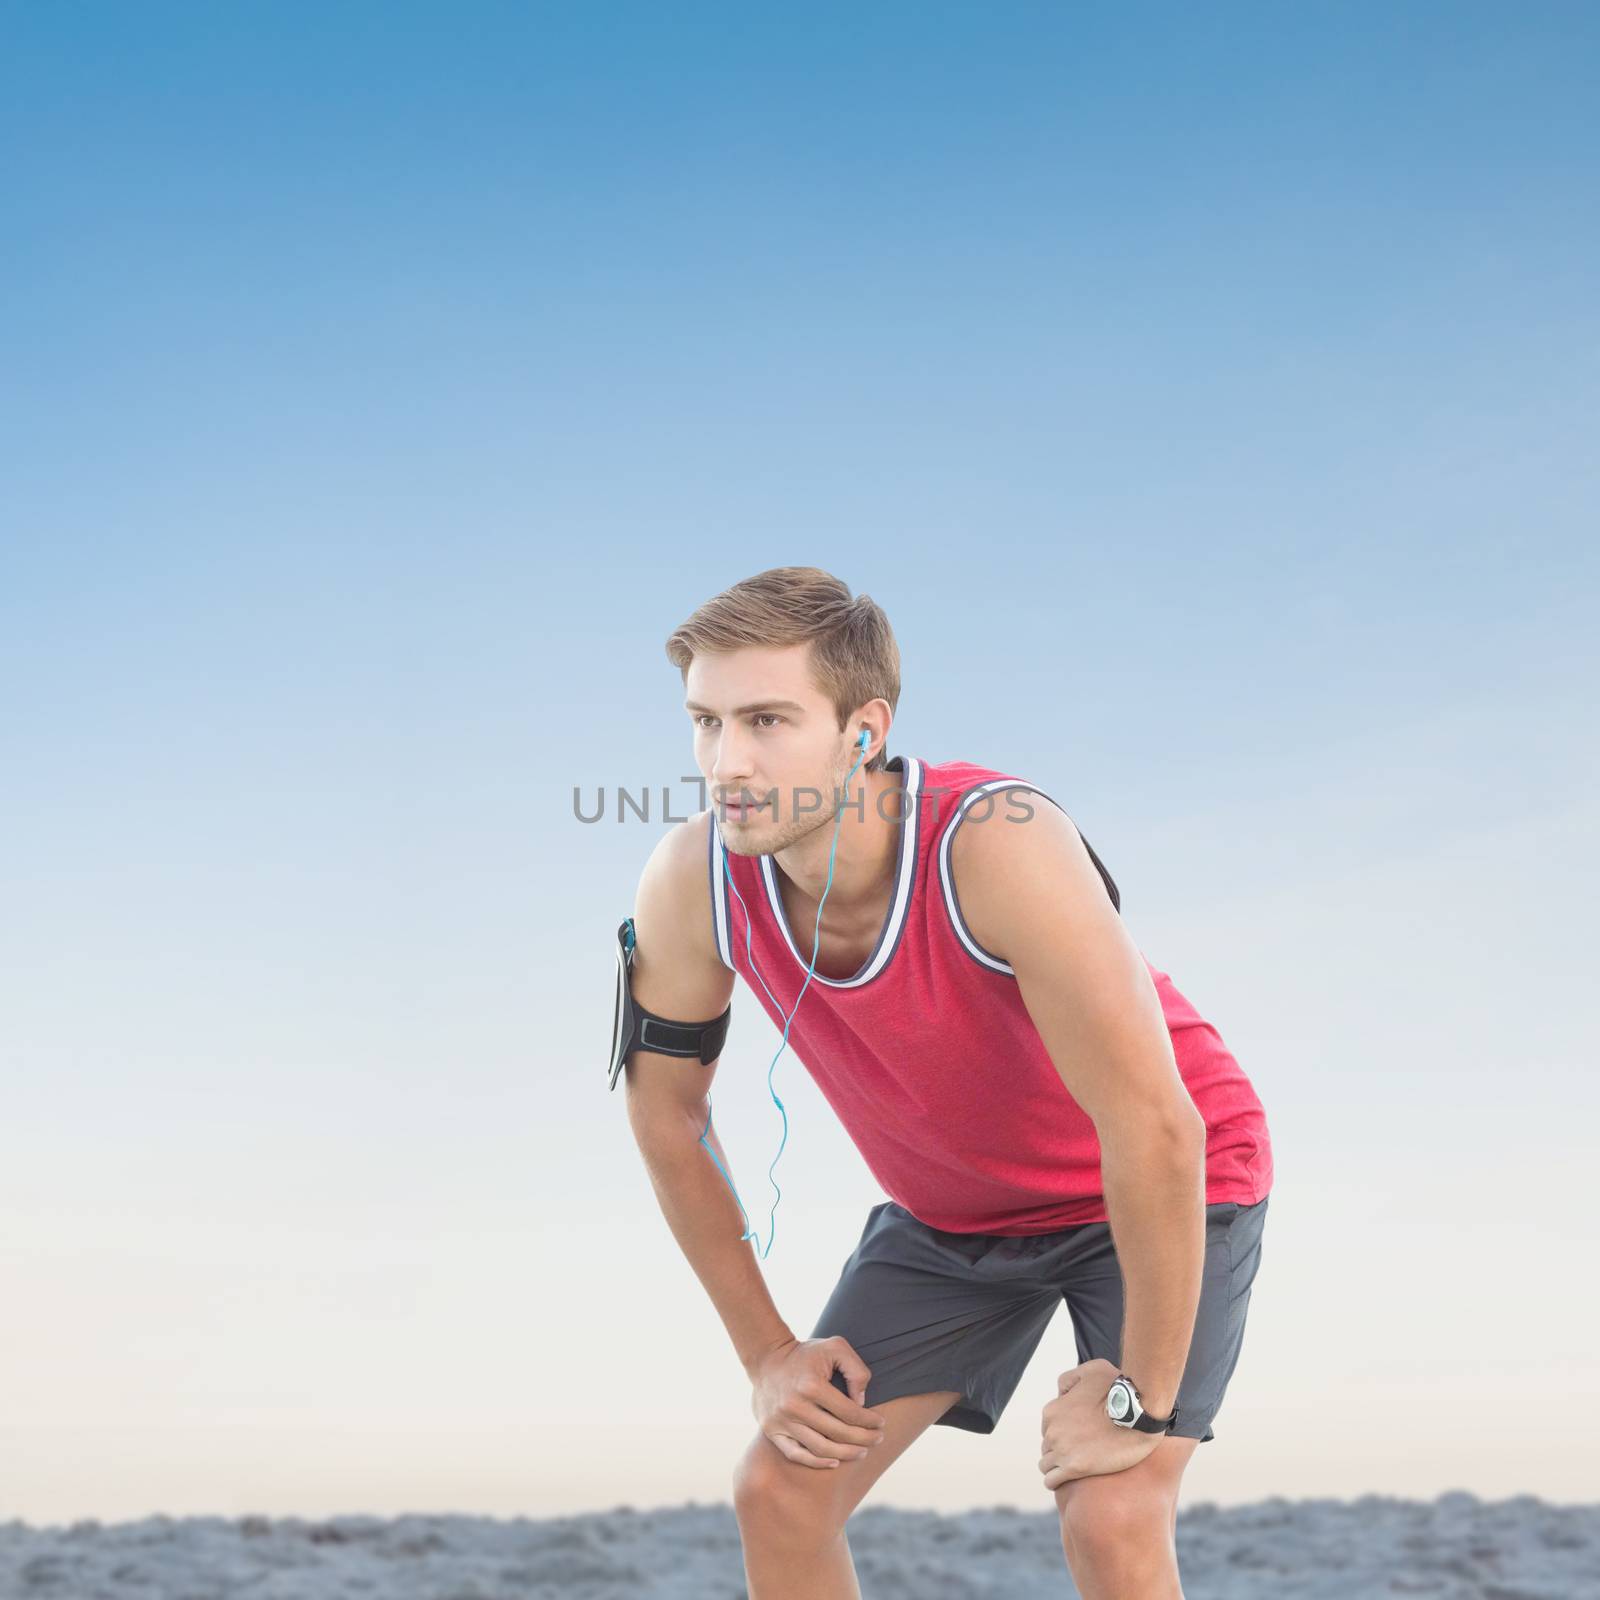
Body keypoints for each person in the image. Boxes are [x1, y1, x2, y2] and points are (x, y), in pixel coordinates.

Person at [620, 565, 1273, 1600]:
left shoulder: (998, 843)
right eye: (705, 721)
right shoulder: (690, 881)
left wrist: (1140, 1398)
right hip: (953, 1217)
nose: (726, 763)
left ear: (862, 728)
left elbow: (1154, 1128)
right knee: (779, 1491)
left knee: (1109, 1511)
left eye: (767, 720)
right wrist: (769, 1355)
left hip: (1146, 1183)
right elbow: (665, 1110)